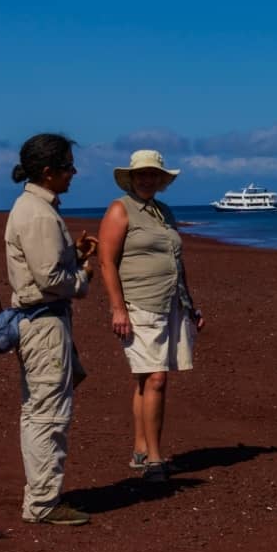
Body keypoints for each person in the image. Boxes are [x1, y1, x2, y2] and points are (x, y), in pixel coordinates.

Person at [5, 133, 97, 526]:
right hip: (44, 322)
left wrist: (73, 253)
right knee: (49, 414)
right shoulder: (39, 213)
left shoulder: (32, 208)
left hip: (37, 321)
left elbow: (43, 264)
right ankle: (43, 503)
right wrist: (83, 276)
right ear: (48, 172)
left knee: (38, 410)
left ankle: (40, 496)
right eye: (68, 166)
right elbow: (51, 279)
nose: (73, 173)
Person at [98, 150, 204, 483]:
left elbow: (177, 262)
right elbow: (106, 262)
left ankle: (141, 449)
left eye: (153, 174)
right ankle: (155, 460)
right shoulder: (120, 209)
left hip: (169, 302)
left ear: (161, 179)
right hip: (138, 304)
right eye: (141, 174)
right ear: (131, 177)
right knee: (157, 378)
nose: (147, 179)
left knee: (146, 378)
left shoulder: (164, 212)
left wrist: (190, 304)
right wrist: (118, 307)